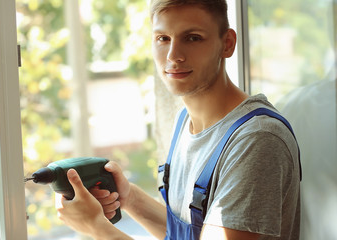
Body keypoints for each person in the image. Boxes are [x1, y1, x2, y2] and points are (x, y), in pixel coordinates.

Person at [56, 0, 301, 239]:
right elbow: (186, 233)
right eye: (163, 38)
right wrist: (128, 197)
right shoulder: (184, 121)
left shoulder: (257, 141)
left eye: (192, 38)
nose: (173, 56)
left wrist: (97, 228)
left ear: (227, 44)